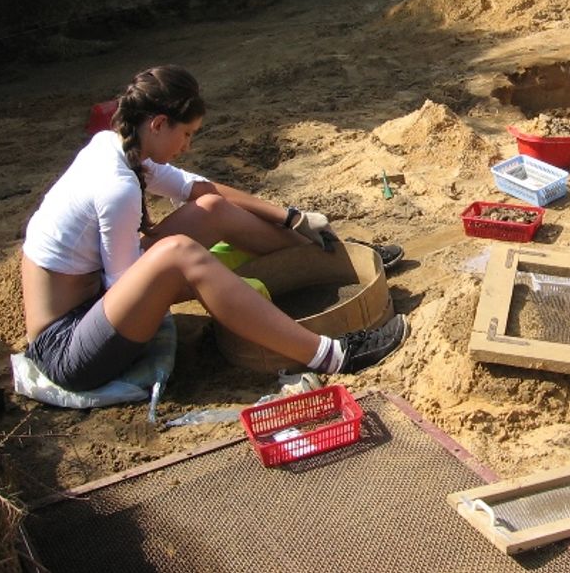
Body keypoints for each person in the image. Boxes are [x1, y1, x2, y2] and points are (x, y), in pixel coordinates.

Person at [21, 65, 408, 393]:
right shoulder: (117, 187)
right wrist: (221, 283)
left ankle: (330, 257)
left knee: (211, 210)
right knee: (179, 255)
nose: (187, 146)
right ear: (158, 124)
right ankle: (331, 355)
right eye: (186, 134)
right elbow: (123, 284)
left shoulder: (118, 144)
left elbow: (197, 189)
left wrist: (291, 216)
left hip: (94, 306)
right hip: (68, 348)